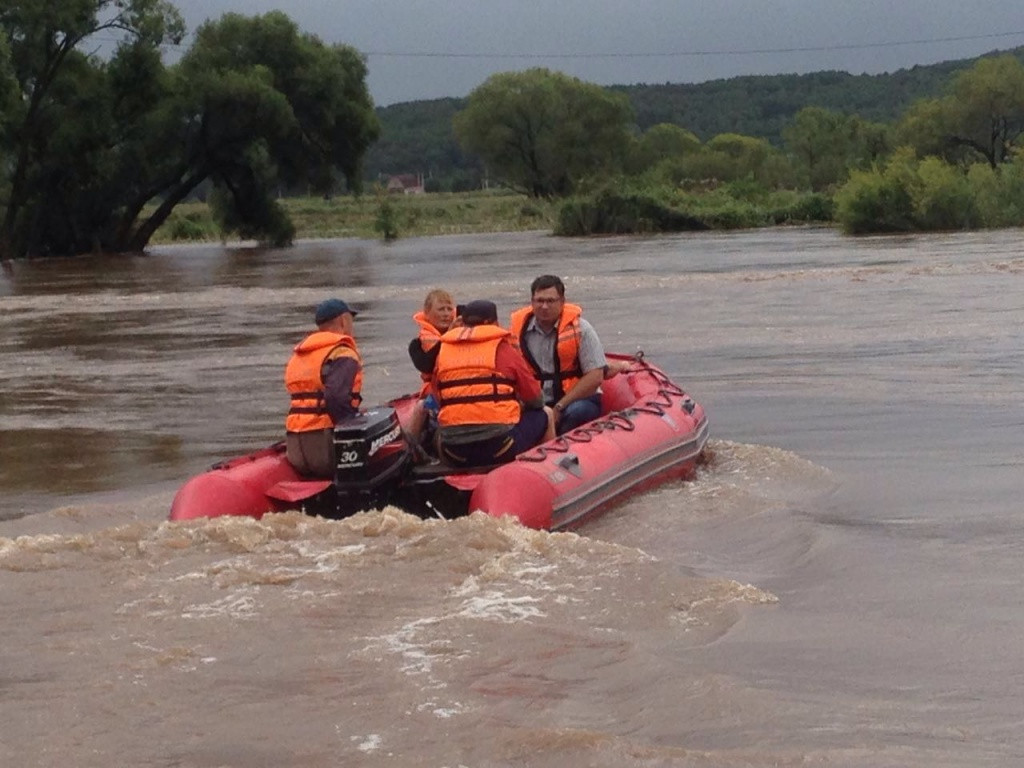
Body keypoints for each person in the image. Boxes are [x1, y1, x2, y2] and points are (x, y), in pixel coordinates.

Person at [433, 300, 554, 467]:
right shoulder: (504, 350)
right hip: (500, 449)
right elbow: (535, 398)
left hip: (454, 452)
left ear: (462, 323)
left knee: (441, 430)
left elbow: (439, 399)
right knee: (546, 413)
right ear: (494, 323)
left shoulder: (443, 353)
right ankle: (547, 471)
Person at [509, 274, 623, 434]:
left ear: (562, 301)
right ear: (532, 302)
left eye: (550, 301)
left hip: (576, 400)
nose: (544, 307)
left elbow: (595, 375)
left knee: (577, 412)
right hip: (537, 402)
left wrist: (559, 406)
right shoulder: (517, 332)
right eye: (539, 301)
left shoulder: (582, 329)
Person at [284, 298, 362, 477]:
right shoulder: (342, 352)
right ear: (343, 320)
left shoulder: (300, 354)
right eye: (351, 319)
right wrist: (353, 426)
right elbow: (335, 397)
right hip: (324, 446)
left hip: (296, 446)